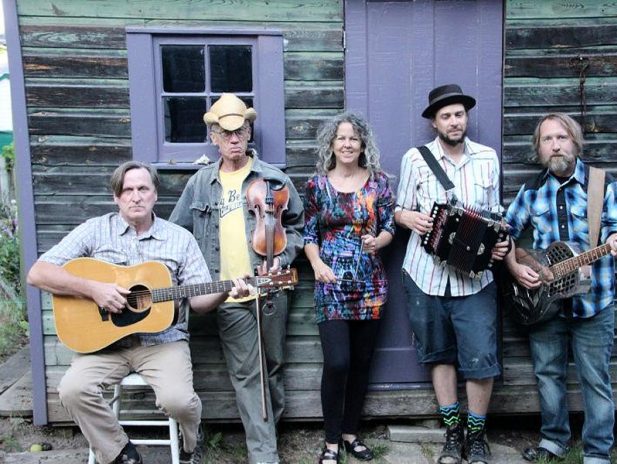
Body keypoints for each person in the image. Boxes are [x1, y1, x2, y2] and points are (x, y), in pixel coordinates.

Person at [26, 161, 250, 464]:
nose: (136, 196)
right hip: (105, 346)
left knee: (180, 402)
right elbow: (38, 273)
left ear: (155, 194)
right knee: (72, 389)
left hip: (163, 342)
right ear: (116, 198)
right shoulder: (95, 230)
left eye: (143, 188)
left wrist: (225, 290)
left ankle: (189, 446)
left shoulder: (179, 239)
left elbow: (198, 302)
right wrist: (94, 289)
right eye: (127, 190)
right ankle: (120, 453)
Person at [169, 93, 303, 464]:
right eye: (225, 132)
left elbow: (297, 229)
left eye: (240, 130)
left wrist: (284, 256)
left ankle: (267, 432)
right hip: (228, 294)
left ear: (249, 132)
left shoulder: (273, 180)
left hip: (272, 289)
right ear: (213, 137)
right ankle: (265, 455)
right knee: (248, 376)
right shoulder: (199, 185)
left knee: (272, 368)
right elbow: (176, 235)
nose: (233, 138)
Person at [504, 113, 617, 464]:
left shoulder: (602, 184)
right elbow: (507, 232)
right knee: (547, 374)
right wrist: (516, 267)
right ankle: (553, 440)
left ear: (575, 142)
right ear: (539, 148)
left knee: (595, 379)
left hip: (594, 301)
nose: (555, 145)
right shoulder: (531, 191)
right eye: (547, 139)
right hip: (546, 301)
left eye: (562, 137)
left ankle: (596, 452)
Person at [395, 84, 509, 464]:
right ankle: (452, 432)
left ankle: (476, 436)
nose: (454, 121)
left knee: (480, 357)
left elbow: (496, 215)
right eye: (446, 116)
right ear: (434, 122)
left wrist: (500, 242)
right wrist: (409, 217)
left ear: (466, 117)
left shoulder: (487, 158)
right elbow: (399, 210)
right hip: (424, 274)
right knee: (439, 355)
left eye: (459, 114)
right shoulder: (415, 159)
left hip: (475, 279)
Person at [303, 112, 395, 464]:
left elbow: (390, 226)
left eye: (353, 138)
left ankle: (350, 433)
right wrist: (316, 264)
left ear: (362, 145)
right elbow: (310, 233)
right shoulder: (316, 186)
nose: (346, 144)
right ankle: (329, 441)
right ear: (331, 144)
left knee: (361, 362)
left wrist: (379, 242)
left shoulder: (379, 183)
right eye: (340, 138)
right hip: (331, 285)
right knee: (338, 362)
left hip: (370, 285)